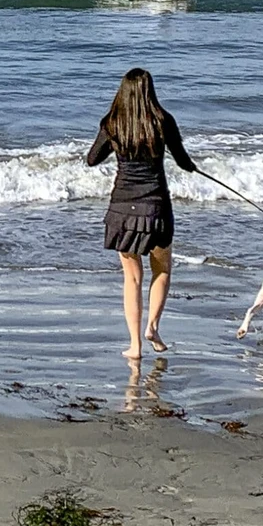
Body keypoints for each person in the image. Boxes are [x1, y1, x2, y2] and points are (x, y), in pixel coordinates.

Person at [86, 67, 197, 361]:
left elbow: (92, 159)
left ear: (122, 92)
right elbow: (184, 161)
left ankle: (134, 345)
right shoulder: (162, 121)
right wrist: (192, 168)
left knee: (132, 278)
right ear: (150, 91)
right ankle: (153, 328)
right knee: (162, 269)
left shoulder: (113, 124)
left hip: (122, 208)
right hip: (157, 207)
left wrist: (114, 141)